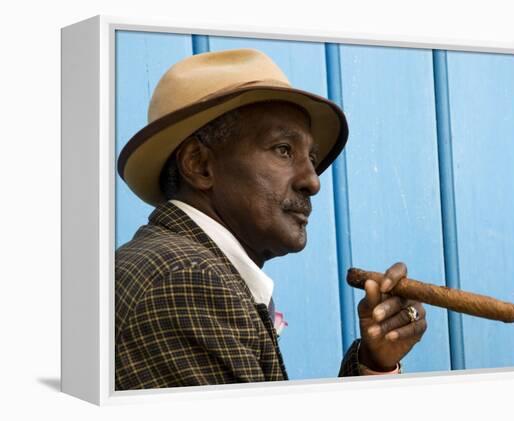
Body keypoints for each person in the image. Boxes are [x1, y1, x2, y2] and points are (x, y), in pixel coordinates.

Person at [115, 48, 427, 390]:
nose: (313, 181)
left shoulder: (181, 265)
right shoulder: (186, 280)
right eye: (283, 149)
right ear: (199, 164)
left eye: (311, 157)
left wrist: (374, 364)